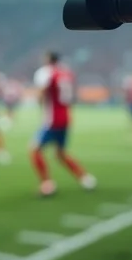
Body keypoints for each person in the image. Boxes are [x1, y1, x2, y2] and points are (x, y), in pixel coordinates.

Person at [30, 51, 96, 197]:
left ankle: (47, 183)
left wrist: (40, 104)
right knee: (60, 153)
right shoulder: (66, 72)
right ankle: (85, 178)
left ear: (48, 60)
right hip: (65, 117)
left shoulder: (46, 72)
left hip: (52, 119)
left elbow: (41, 93)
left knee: (34, 150)